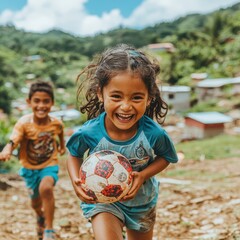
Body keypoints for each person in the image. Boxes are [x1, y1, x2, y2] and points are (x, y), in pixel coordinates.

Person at [66, 44, 178, 240]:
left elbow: (166, 157)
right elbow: (74, 154)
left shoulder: (153, 133)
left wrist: (143, 175)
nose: (125, 107)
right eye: (116, 96)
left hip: (142, 203)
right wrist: (76, 180)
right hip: (102, 201)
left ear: (149, 98)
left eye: (136, 97)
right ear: (100, 94)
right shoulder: (90, 131)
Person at [0, 80, 66, 240]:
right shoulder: (24, 123)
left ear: (52, 103)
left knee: (46, 188)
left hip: (49, 164)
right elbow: (14, 139)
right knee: (35, 204)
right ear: (29, 102)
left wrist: (62, 147)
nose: (41, 106)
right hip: (29, 168)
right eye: (37, 101)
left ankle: (49, 230)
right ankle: (41, 216)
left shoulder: (56, 124)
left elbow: (60, 135)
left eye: (46, 101)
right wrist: (7, 149)